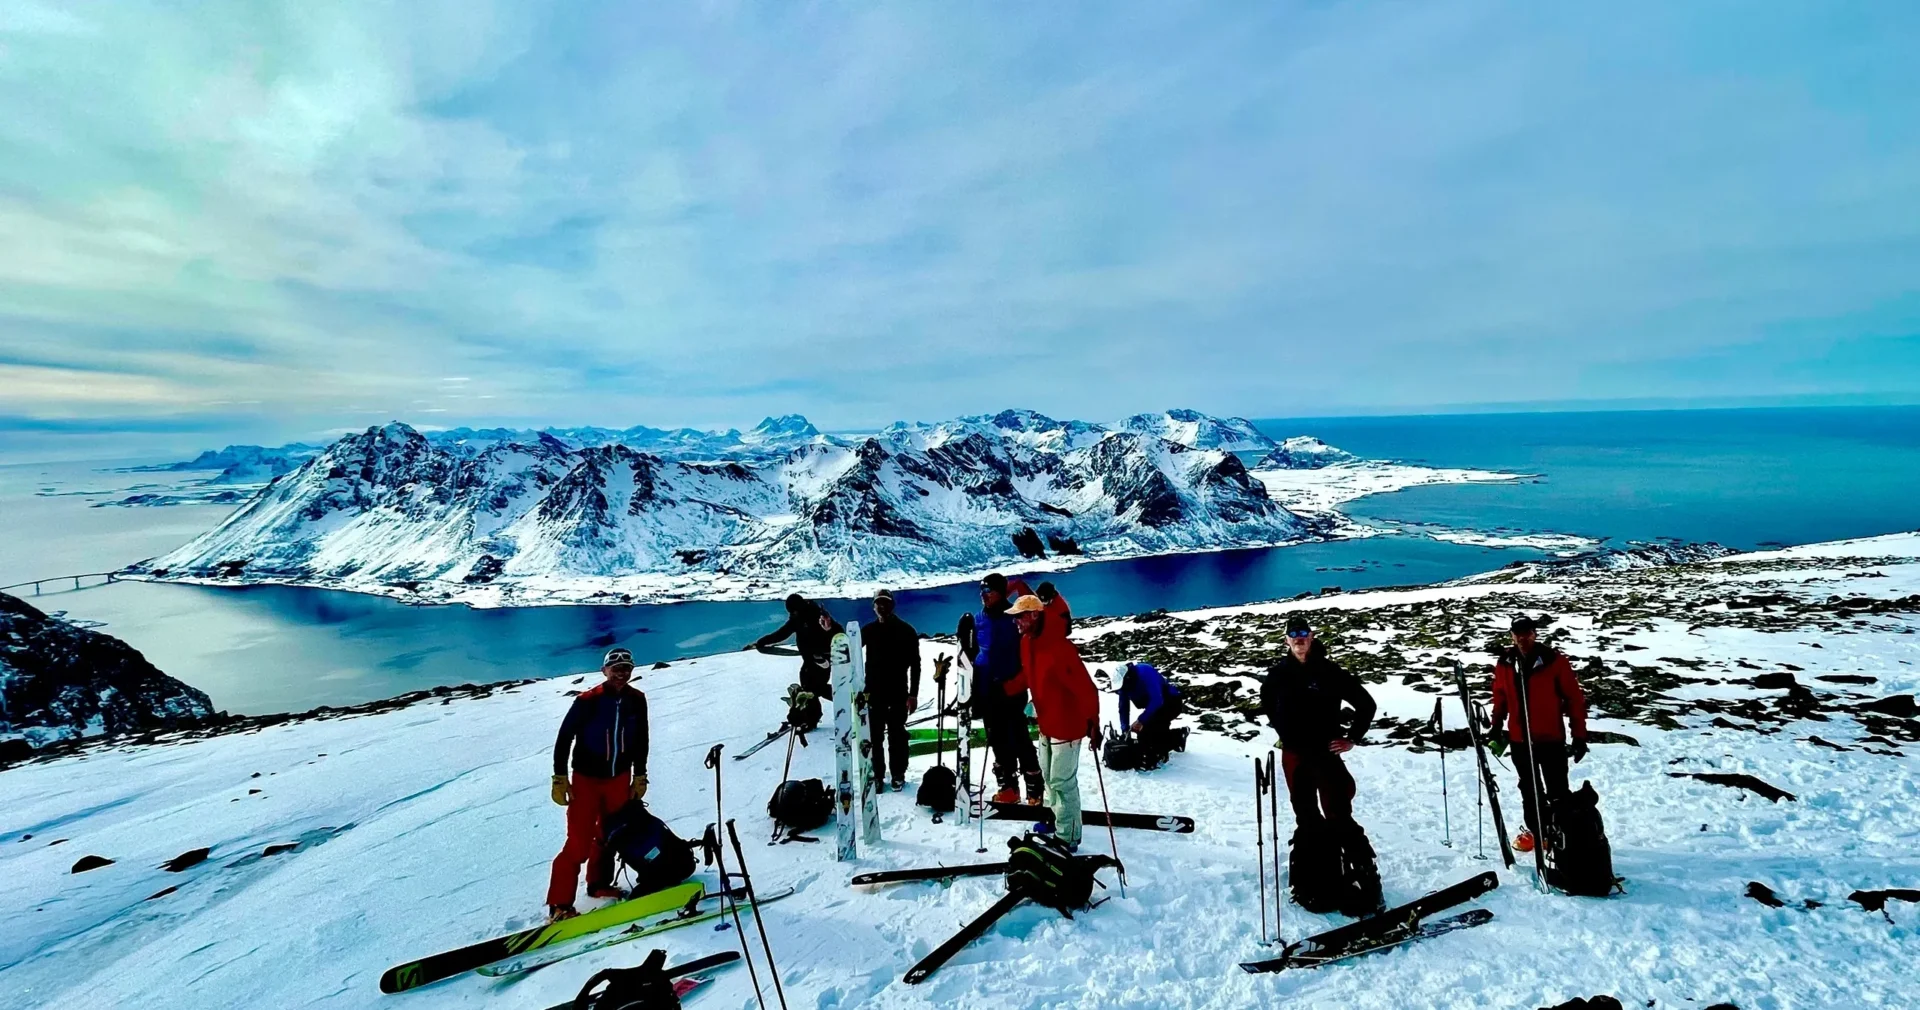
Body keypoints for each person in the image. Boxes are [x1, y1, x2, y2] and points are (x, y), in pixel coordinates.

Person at [1259, 615, 1382, 916]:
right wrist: (1283, 732)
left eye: (1303, 633)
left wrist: (1352, 737)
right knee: (1306, 815)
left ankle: (1368, 884)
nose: (1299, 639)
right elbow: (1266, 703)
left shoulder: (1329, 671)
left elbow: (1366, 704)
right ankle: (1315, 882)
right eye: (1293, 634)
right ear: (1286, 639)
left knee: (1339, 815)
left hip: (1325, 754)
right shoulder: (1278, 674)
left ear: (1312, 636)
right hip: (1294, 756)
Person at [548, 647, 650, 922]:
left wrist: (640, 775)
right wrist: (560, 777)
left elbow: (641, 740)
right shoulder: (587, 701)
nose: (621, 673)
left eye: (626, 668)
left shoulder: (636, 700)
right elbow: (564, 738)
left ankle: (598, 884)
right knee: (578, 842)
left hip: (619, 778)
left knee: (610, 835)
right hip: (586, 780)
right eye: (615, 668)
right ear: (604, 671)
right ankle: (559, 903)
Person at [1004, 590, 1099, 849]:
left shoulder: (1060, 648)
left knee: (1062, 781)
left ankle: (1068, 836)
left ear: (1035, 615)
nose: (1016, 622)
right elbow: (1029, 674)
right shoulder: (1027, 643)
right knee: (1049, 776)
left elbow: (1086, 688)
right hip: (1046, 722)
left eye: (1020, 617)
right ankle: (1057, 820)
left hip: (1068, 725)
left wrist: (1094, 722)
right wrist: (1007, 689)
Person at [1489, 615, 1589, 854]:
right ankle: (1539, 833)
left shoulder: (1554, 661)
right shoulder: (1505, 662)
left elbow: (1574, 699)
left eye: (1528, 632)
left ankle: (1563, 834)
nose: (1523, 638)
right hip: (1520, 740)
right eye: (1518, 633)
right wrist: (1496, 724)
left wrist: (1579, 736)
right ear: (1512, 635)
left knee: (1557, 790)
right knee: (1529, 789)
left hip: (1550, 738)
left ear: (1535, 633)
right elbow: (1500, 695)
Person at [963, 573, 1043, 805]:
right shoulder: (978, 619)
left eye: (989, 591)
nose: (984, 596)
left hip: (1012, 689)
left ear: (1000, 592)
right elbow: (976, 653)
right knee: (996, 739)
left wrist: (1017, 681)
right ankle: (1008, 789)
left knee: (1018, 737)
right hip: (987, 690)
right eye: (982, 591)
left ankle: (1034, 790)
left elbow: (1029, 655)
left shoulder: (1016, 616)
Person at [861, 589, 921, 791]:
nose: (882, 606)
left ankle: (898, 774)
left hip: (898, 692)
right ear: (873, 606)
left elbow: (915, 664)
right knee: (874, 736)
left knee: (897, 735)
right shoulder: (868, 631)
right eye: (878, 603)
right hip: (874, 693)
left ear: (892, 605)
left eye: (885, 602)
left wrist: (913, 694)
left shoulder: (906, 630)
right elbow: (847, 650)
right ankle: (877, 775)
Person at [750, 593, 844, 700]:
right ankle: (810, 706)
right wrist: (762, 642)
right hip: (812, 660)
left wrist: (761, 642)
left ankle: (843, 698)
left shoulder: (812, 615)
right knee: (810, 688)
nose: (792, 614)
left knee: (814, 689)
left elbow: (781, 634)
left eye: (793, 612)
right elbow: (781, 634)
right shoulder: (803, 616)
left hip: (819, 659)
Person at [1117, 661, 1185, 760]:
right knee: (1144, 736)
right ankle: (1174, 737)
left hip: (1171, 702)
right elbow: (1123, 707)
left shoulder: (1145, 672)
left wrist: (1141, 720)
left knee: (1152, 736)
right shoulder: (1124, 685)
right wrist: (1125, 729)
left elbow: (1157, 700)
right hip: (1155, 706)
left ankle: (1176, 739)